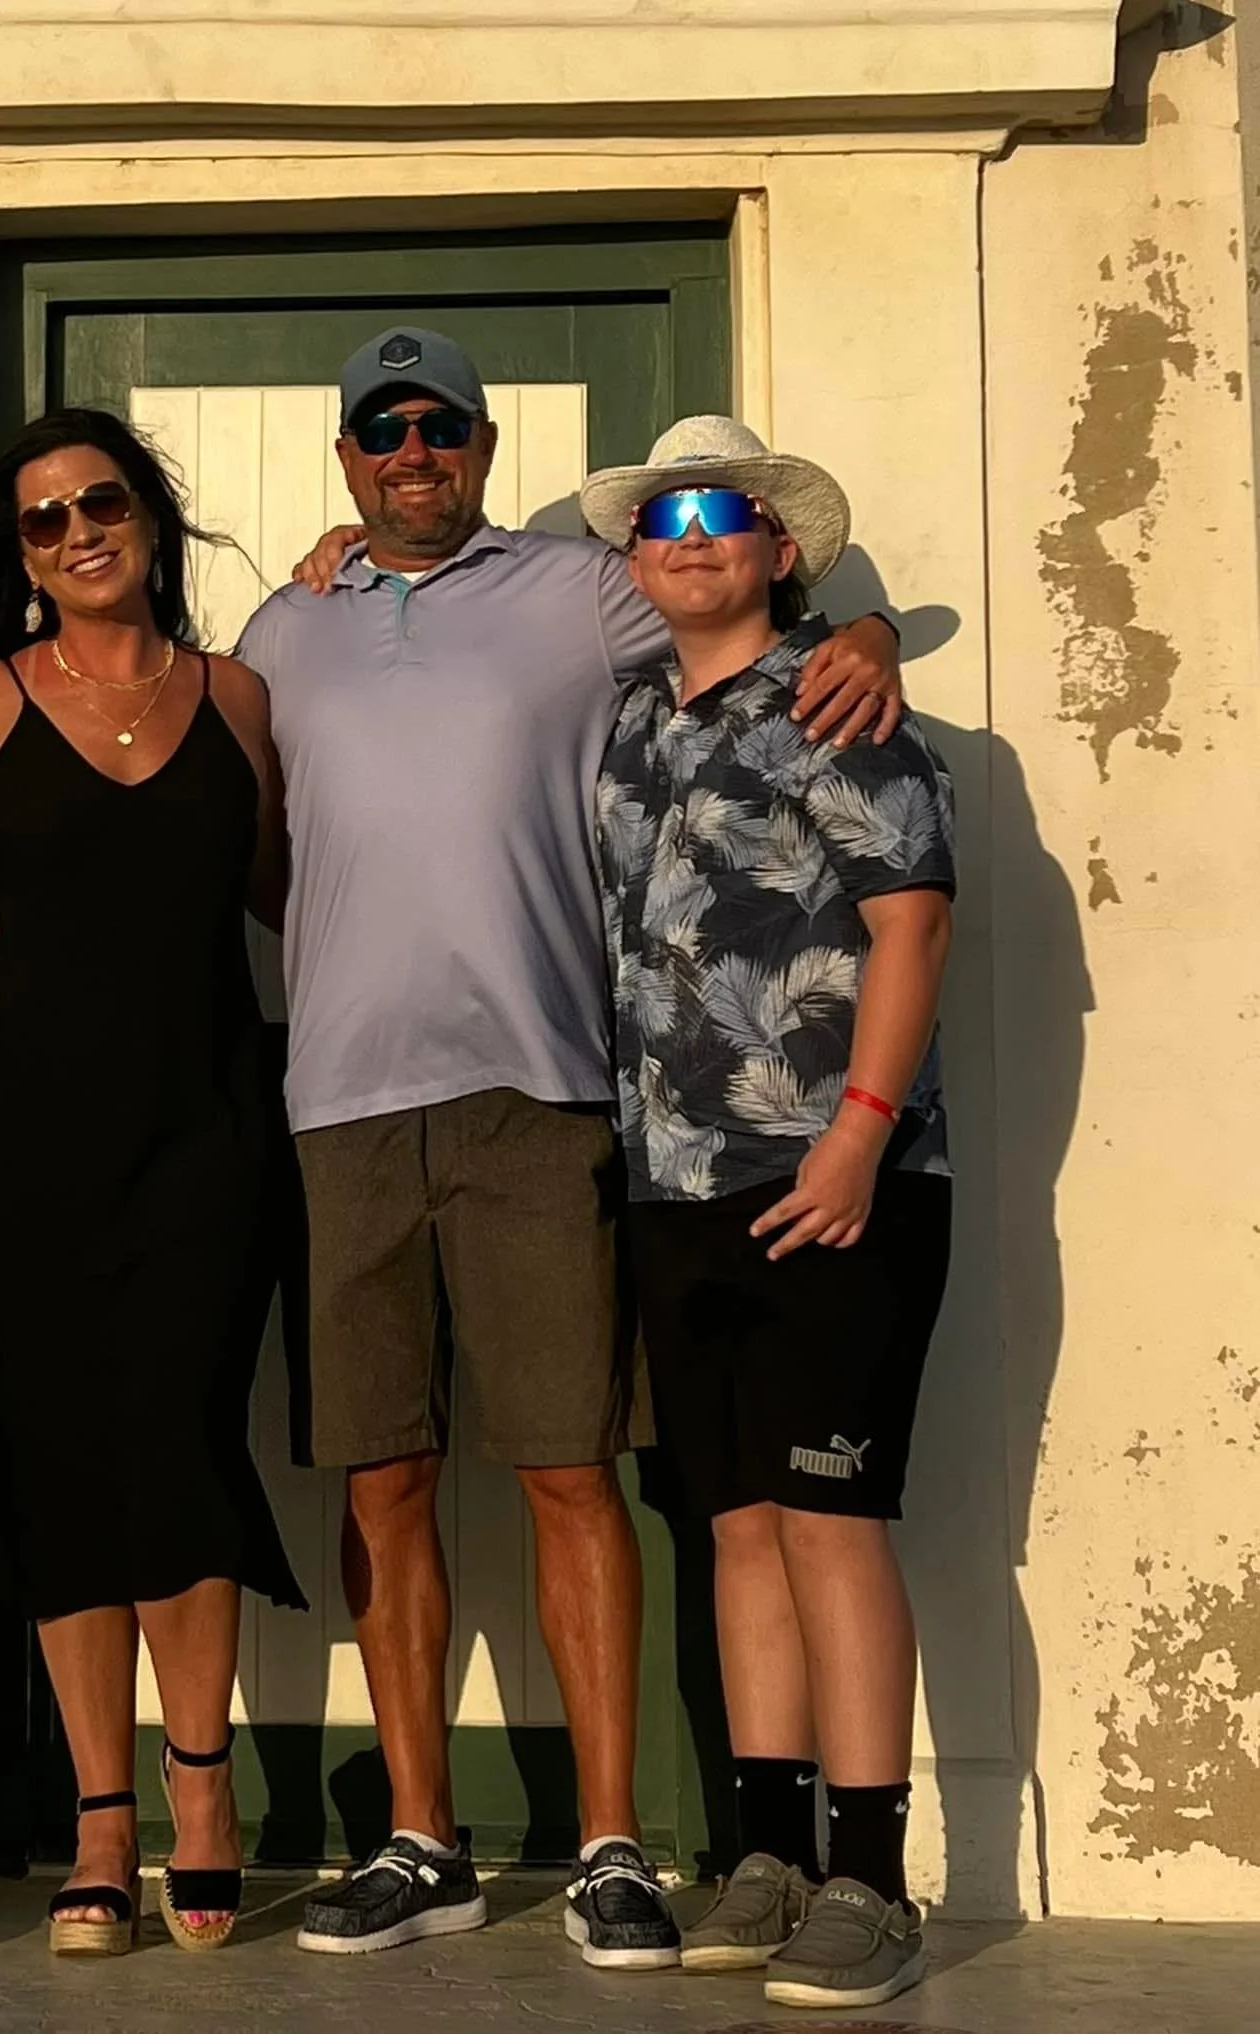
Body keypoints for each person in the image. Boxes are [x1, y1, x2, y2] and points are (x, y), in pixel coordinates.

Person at [0, 328, 904, 1966]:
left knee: (567, 1469)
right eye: (382, 429)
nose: (413, 448)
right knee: (383, 1480)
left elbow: (745, 604)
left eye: (441, 424)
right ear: (344, 460)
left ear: (478, 442)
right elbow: (233, 853)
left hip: (539, 1089)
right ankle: (422, 1835)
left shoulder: (575, 587)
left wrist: (871, 628)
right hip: (332, 1106)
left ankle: (611, 1840)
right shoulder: (275, 636)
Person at [583, 418, 954, 2011]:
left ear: (780, 546)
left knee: (830, 1521)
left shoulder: (843, 703)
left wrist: (861, 1133)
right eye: (663, 513)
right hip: (673, 1183)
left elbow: (911, 924)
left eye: (723, 509)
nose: (690, 532)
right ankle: (770, 1851)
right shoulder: (624, 724)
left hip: (829, 1185)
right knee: (732, 1524)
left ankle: (871, 1876)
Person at [0, 408, 305, 1958]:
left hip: (205, 1133)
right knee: (60, 1467)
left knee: (182, 1451)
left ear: (149, 517)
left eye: (102, 501)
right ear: (19, 558)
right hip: (25, 1142)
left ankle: (200, 1792)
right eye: (42, 520)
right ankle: (100, 1821)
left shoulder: (238, 695)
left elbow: (285, 890)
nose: (79, 531)